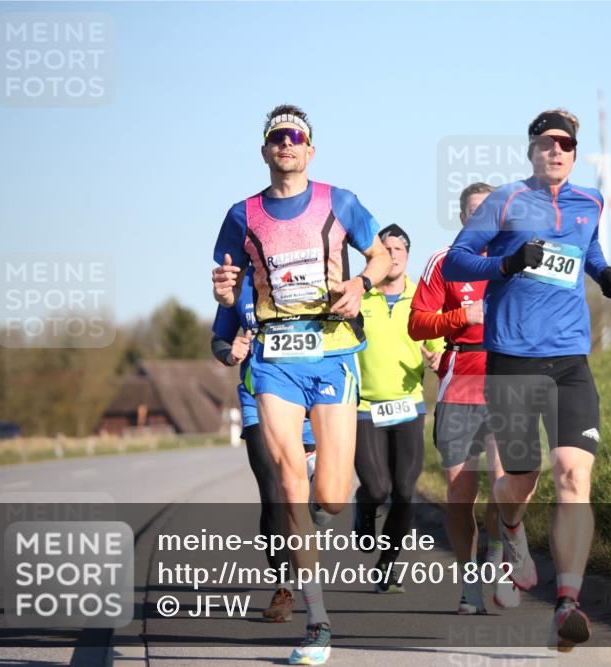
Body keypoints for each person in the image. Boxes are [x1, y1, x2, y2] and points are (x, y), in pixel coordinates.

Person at [442, 109, 611, 652]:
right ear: (531, 150)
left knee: (573, 474)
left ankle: (568, 601)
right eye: (547, 144)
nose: (556, 152)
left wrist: (605, 274)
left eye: (566, 145)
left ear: (574, 153)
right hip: (513, 357)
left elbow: (587, 250)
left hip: (571, 360)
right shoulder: (504, 200)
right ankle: (512, 529)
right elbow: (457, 261)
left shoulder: (589, 202)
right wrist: (504, 265)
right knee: (519, 477)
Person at [212, 105, 391, 666]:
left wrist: (362, 282)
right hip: (273, 356)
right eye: (275, 137)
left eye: (295, 136)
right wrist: (222, 293)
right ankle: (317, 623)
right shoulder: (242, 215)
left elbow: (382, 254)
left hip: (333, 350)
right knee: (290, 481)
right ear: (264, 151)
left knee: (332, 497)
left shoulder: (340, 200)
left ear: (311, 149)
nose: (285, 144)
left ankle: (323, 495)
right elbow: (226, 281)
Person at [408, 183, 525, 615]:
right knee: (461, 497)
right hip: (459, 384)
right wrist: (463, 316)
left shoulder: (519, 262)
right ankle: (469, 584)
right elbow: (417, 324)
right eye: (475, 215)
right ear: (462, 221)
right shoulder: (444, 262)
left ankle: (497, 556)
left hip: (506, 381)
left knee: (504, 485)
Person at [210, 266, 318, 624]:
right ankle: (284, 587)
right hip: (258, 398)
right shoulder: (239, 286)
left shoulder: (311, 274)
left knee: (305, 498)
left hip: (308, 399)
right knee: (274, 493)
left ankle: (307, 529)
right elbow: (219, 339)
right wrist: (230, 351)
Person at [352, 224, 444, 592]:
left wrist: (439, 361)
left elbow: (438, 346)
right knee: (377, 487)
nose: (392, 255)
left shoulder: (422, 299)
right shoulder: (359, 297)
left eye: (398, 250)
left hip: (409, 406)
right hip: (364, 407)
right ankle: (364, 503)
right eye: (384, 249)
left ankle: (387, 566)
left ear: (407, 255)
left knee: (404, 491)